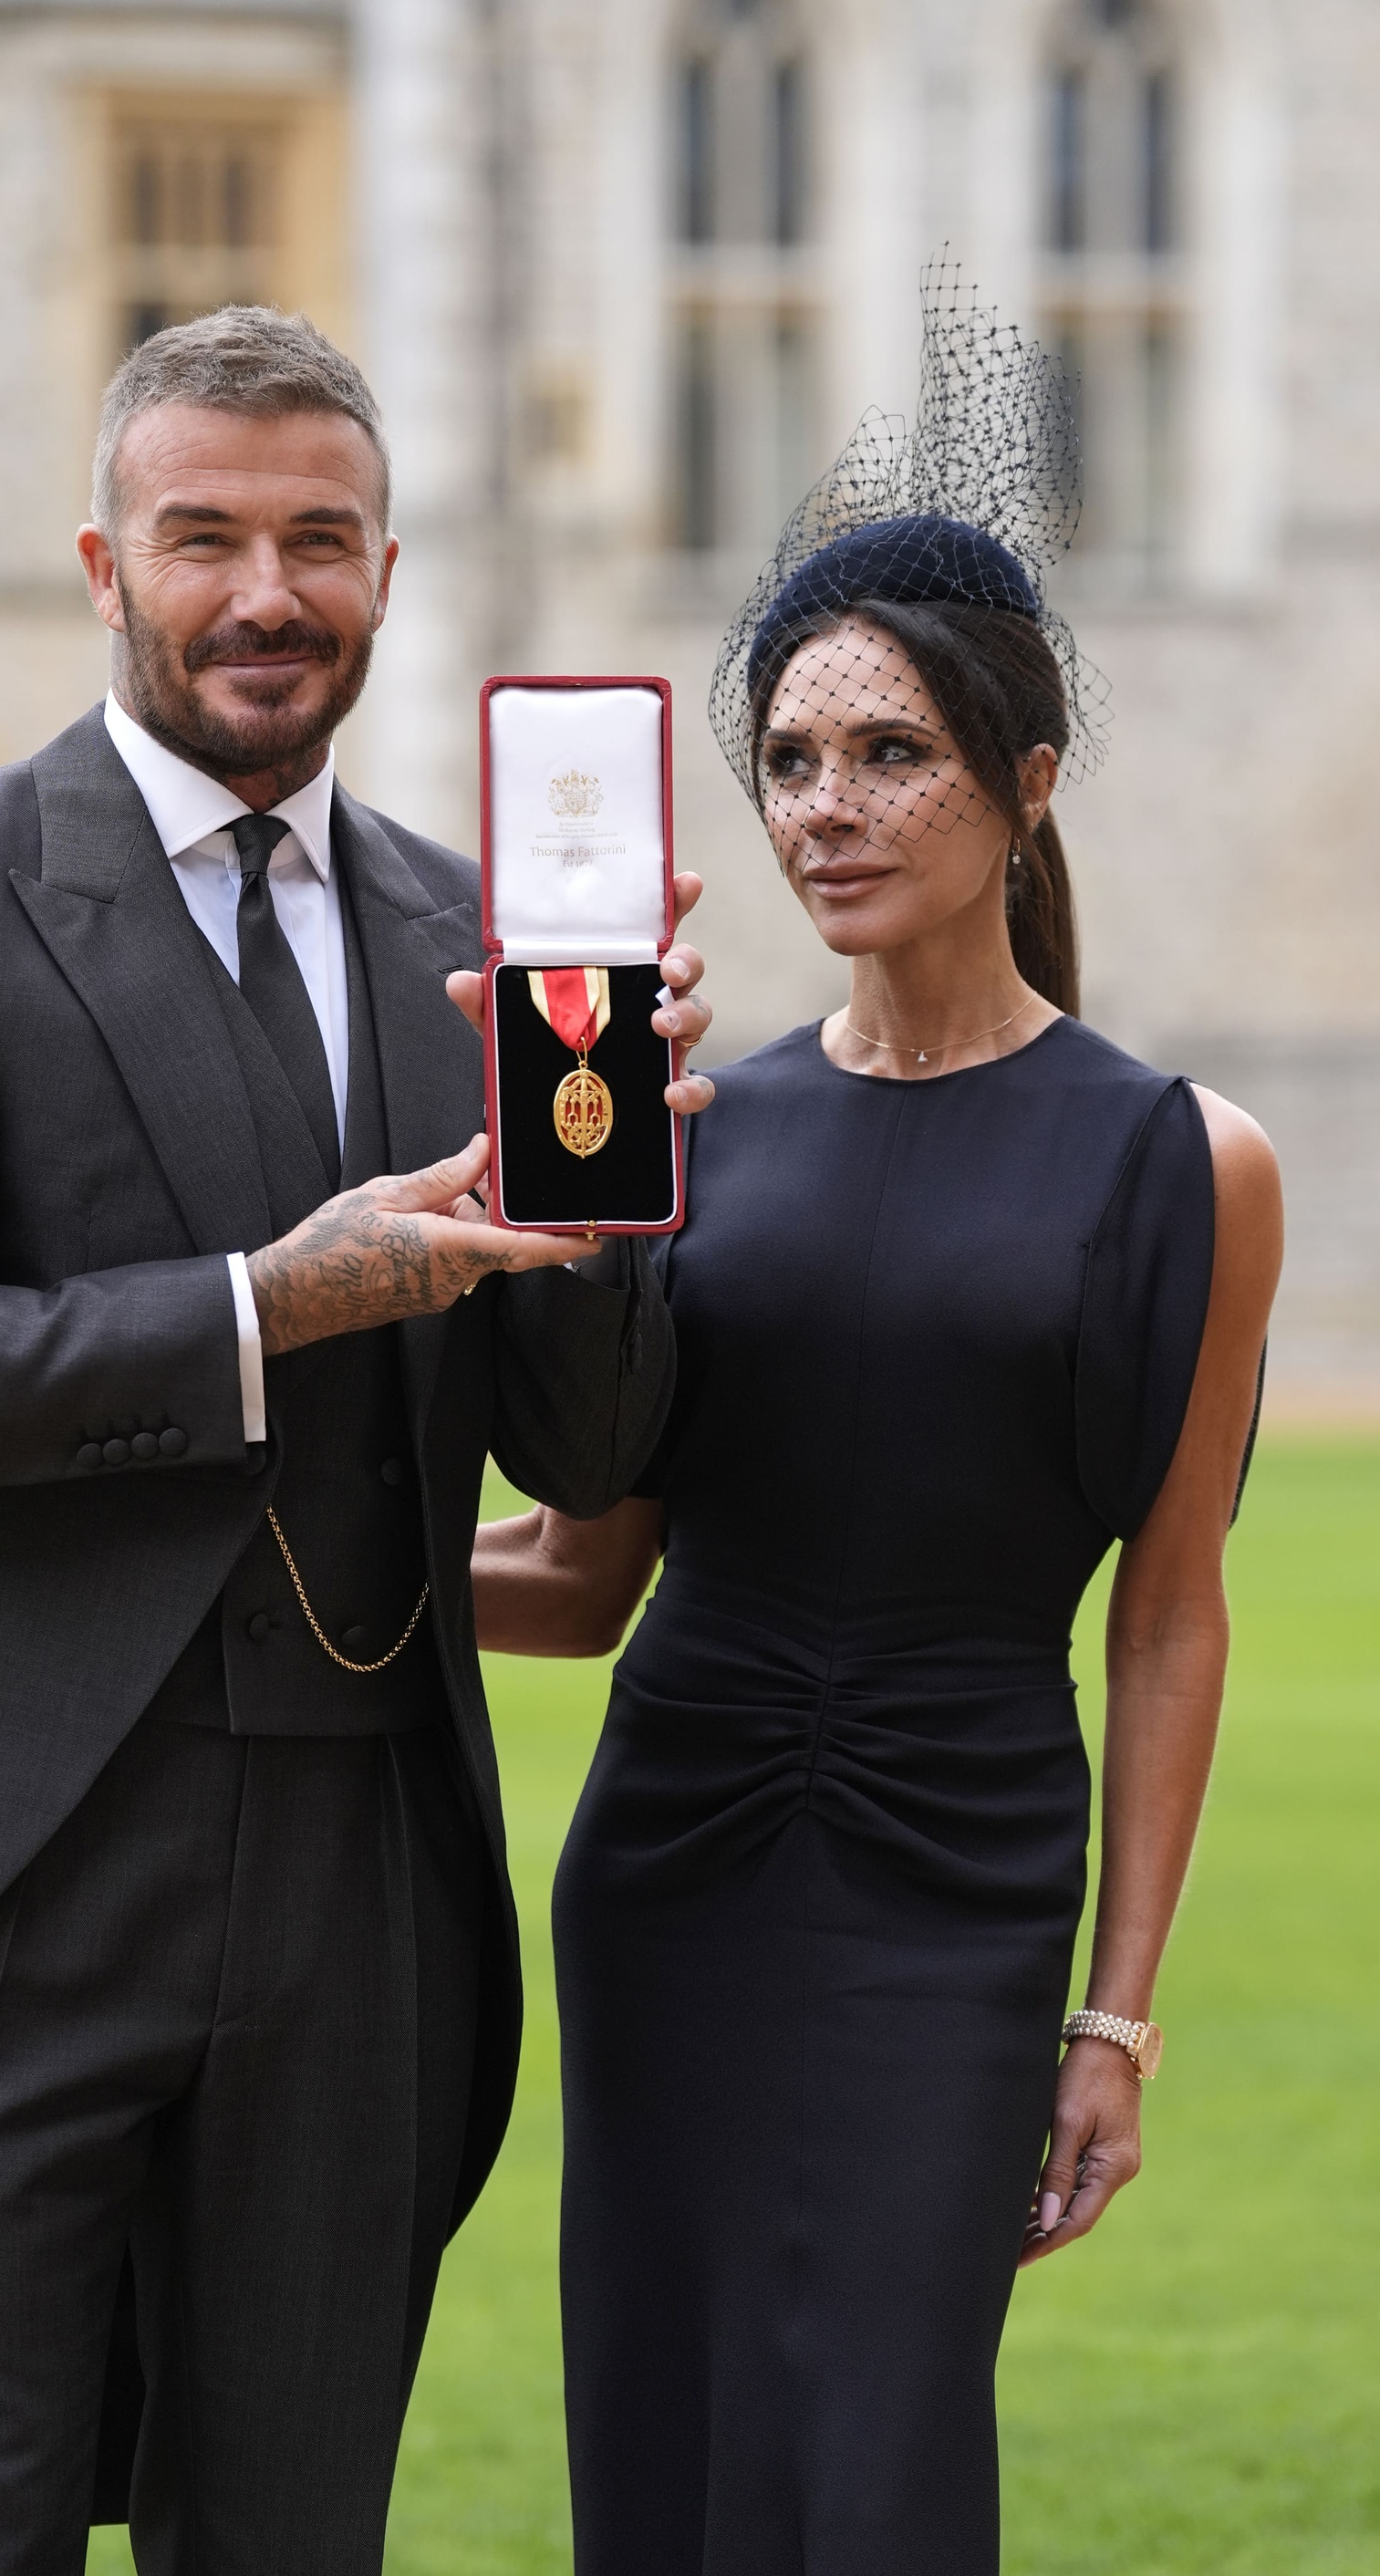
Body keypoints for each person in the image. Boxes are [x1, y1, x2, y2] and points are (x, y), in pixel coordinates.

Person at [0, 305, 713, 2573]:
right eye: (207, 537)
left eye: (320, 540)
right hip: (13, 1864)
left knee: (291, 2536)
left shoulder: (481, 926)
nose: (267, 591)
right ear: (105, 563)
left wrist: (620, 1158)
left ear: (387, 567)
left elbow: (584, 1434)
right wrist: (285, 1298)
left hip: (364, 1881)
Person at [472, 279, 1282, 2576]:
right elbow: (584, 1565)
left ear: (1028, 782)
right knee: (667, 2409)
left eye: (892, 753)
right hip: (674, 1853)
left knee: (883, 2453)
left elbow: (1174, 1613)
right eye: (794, 760)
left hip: (961, 1872)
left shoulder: (1187, 1161)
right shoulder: (676, 1122)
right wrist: (280, 1554)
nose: (829, 806)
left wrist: (1115, 2012)